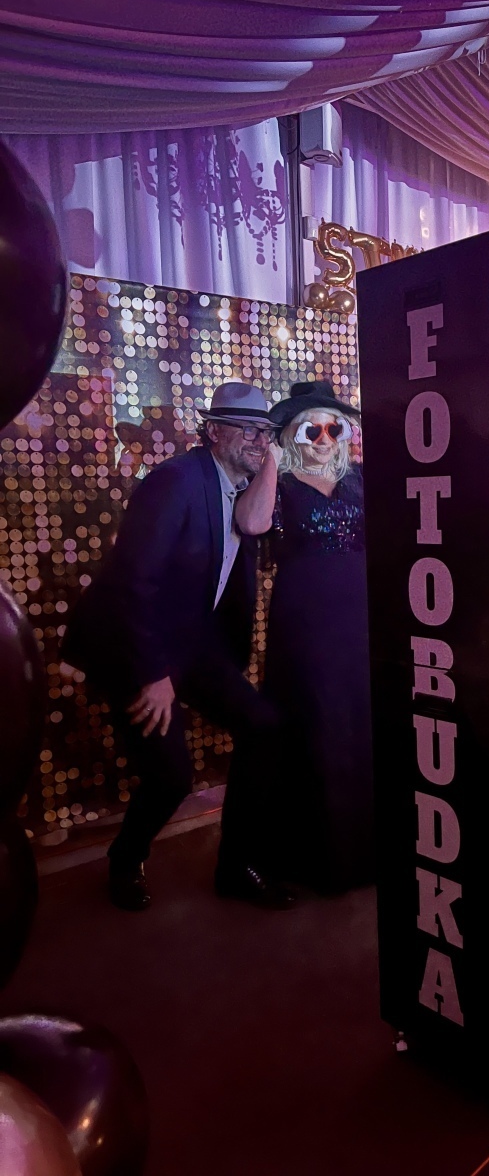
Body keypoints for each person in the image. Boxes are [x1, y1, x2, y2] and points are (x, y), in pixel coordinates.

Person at [63, 382, 298, 911]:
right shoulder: (174, 482)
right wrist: (153, 673)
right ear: (212, 431)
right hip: (135, 643)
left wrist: (270, 464)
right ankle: (125, 859)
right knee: (171, 776)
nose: (258, 440)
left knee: (264, 727)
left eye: (264, 431)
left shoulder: (247, 485)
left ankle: (237, 867)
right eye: (245, 429)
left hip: (189, 642)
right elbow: (133, 585)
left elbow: (256, 526)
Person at [235, 380, 374, 892]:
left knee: (360, 722)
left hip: (360, 617)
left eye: (333, 428)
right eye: (311, 429)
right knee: (316, 722)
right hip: (306, 622)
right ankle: (317, 859)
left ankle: (365, 854)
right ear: (292, 433)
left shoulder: (359, 479)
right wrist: (273, 462)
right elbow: (252, 524)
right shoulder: (282, 482)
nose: (323, 438)